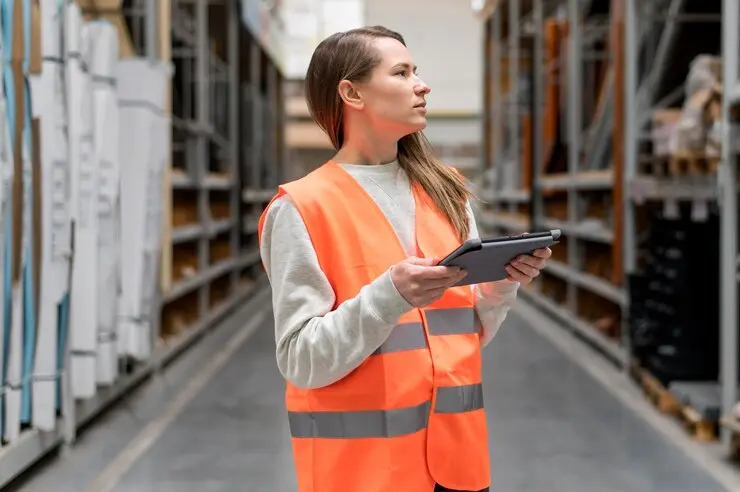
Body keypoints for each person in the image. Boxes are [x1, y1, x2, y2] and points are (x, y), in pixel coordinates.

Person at [258, 26, 551, 492]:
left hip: (457, 463)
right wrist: (387, 297)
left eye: (416, 70)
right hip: (363, 474)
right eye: (401, 72)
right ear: (351, 93)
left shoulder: (445, 191)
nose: (422, 84)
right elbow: (300, 360)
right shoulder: (302, 207)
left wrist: (500, 282)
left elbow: (465, 337)